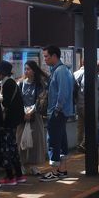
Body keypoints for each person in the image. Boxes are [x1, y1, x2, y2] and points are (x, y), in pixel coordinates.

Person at [40, 45, 75, 181]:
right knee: (61, 140)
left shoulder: (59, 71)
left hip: (57, 112)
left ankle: (54, 171)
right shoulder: (60, 70)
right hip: (61, 112)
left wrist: (56, 109)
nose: (45, 59)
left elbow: (63, 93)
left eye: (46, 56)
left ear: (54, 56)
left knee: (53, 140)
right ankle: (62, 170)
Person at [16, 60, 49, 176]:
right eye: (25, 69)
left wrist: (32, 111)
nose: (26, 71)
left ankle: (34, 165)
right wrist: (23, 112)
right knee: (21, 141)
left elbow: (41, 100)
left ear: (34, 70)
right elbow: (18, 100)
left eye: (28, 69)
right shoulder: (20, 83)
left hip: (35, 116)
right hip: (22, 116)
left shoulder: (39, 84)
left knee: (36, 141)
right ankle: (23, 164)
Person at [0, 60, 25, 186]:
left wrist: (0, 100)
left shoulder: (7, 84)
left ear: (1, 72)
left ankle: (10, 176)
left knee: (5, 148)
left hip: (9, 121)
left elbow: (6, 104)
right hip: (15, 120)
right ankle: (19, 175)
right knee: (12, 147)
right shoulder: (12, 82)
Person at [73, 61, 86, 152]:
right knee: (90, 125)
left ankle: (79, 144)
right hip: (86, 103)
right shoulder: (87, 73)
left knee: (80, 126)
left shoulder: (75, 73)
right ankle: (84, 144)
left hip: (78, 104)